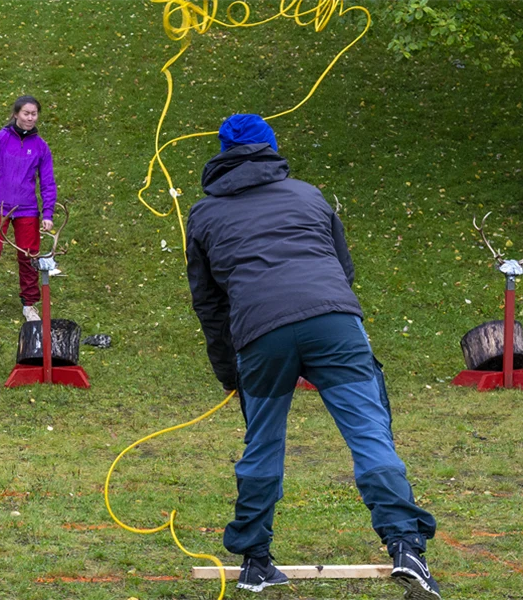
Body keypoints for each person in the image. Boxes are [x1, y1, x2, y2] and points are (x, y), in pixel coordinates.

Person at [184, 114, 440, 599]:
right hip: (333, 321)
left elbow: (209, 305)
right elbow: (343, 269)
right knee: (369, 434)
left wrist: (230, 373)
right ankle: (407, 547)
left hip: (261, 331)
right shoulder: (308, 195)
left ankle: (255, 561)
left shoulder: (204, 213)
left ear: (222, 155)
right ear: (270, 148)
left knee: (262, 444)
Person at [0, 95, 55, 327]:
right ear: (16, 114)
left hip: (27, 209)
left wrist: (47, 214)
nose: (30, 118)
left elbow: (47, 182)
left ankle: (29, 304)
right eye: (26, 113)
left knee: (29, 257)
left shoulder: (41, 147)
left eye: (34, 114)